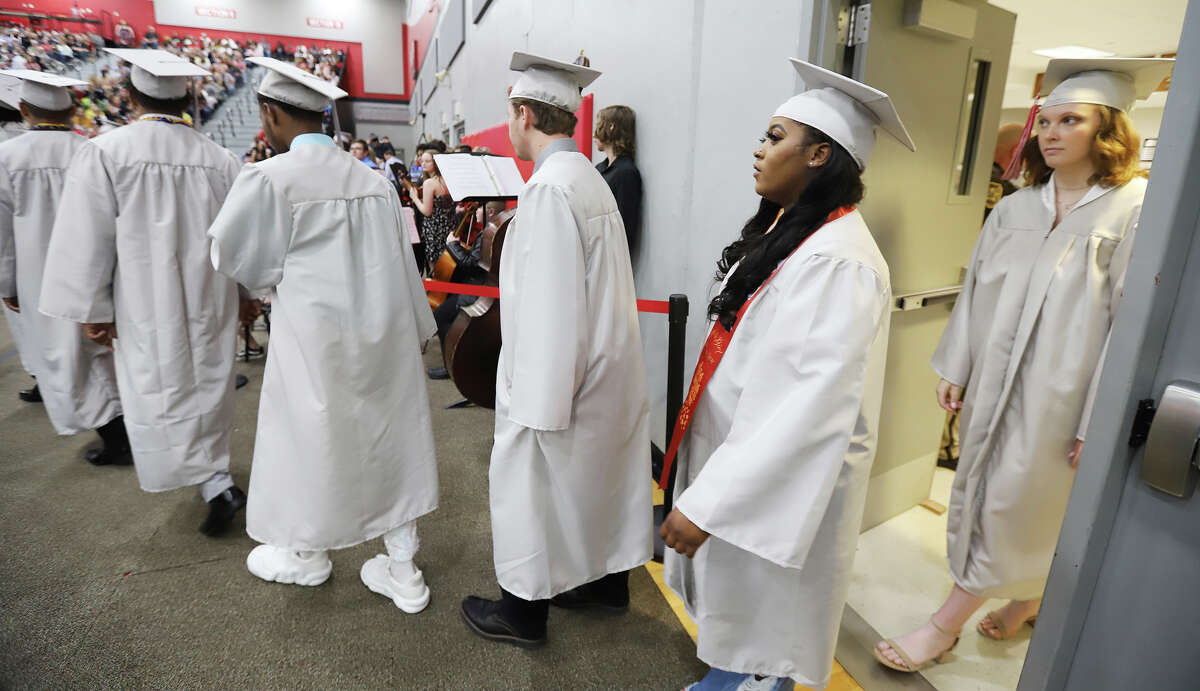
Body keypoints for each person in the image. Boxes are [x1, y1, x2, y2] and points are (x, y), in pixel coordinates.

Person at [874, 57, 1174, 673]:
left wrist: (1100, 417)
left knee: (1018, 503)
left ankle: (944, 624)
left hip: (1063, 394)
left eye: (1072, 120)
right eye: (1046, 120)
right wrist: (956, 365)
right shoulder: (1018, 206)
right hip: (995, 383)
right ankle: (1027, 597)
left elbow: (1130, 325)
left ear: (1108, 130)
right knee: (982, 493)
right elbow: (978, 291)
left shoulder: (1134, 208)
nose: (1051, 132)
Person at [659, 59, 912, 691]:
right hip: (743, 463)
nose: (759, 149)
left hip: (779, 481)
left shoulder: (839, 261)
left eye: (775, 138)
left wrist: (712, 502)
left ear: (820, 155)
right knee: (744, 615)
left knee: (769, 622)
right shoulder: (792, 233)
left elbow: (805, 407)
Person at [207, 57, 438, 607]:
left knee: (307, 439)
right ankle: (403, 570)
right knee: (391, 440)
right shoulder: (375, 182)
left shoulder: (269, 179)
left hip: (314, 340)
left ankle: (306, 555)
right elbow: (406, 267)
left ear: (269, 113)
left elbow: (239, 259)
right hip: (381, 334)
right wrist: (418, 325)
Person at [460, 51, 652, 648]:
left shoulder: (548, 190)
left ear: (522, 114)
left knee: (536, 489)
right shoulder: (589, 177)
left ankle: (523, 612)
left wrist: (533, 410)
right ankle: (605, 584)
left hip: (560, 375)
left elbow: (545, 312)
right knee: (599, 484)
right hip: (607, 364)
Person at [38, 48, 251, 536]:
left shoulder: (107, 152)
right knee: (210, 383)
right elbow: (240, 238)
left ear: (129, 95)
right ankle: (216, 478)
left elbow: (88, 238)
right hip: (210, 294)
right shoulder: (219, 158)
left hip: (143, 298)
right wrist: (244, 293)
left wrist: (92, 305)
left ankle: (211, 481)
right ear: (187, 98)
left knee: (158, 385)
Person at [0, 70, 130, 464]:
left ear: (23, 109)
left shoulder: (7, 157)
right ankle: (124, 428)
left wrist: (7, 284)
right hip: (101, 265)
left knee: (67, 356)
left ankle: (115, 437)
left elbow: (3, 233)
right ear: (74, 109)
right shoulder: (96, 148)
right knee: (107, 353)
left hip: (41, 272)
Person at [593, 104, 642, 259]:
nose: (593, 134)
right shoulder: (600, 168)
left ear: (611, 127)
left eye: (598, 126)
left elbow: (624, 229)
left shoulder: (626, 172)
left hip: (609, 259)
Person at [401, 148, 454, 273]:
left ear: (436, 163)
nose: (423, 164)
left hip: (434, 230)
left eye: (427, 161)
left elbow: (426, 211)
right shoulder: (448, 179)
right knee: (447, 267)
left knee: (434, 268)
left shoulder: (429, 183)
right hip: (448, 227)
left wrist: (414, 198)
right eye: (422, 161)